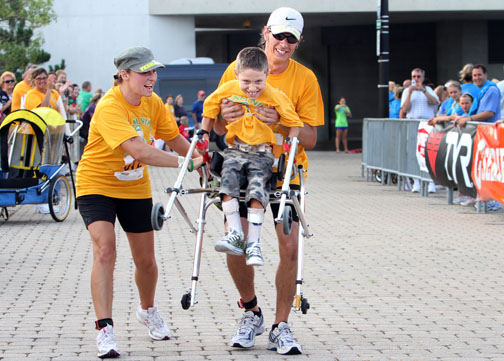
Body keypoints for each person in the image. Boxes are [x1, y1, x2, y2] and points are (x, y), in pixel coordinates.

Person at [75, 46, 203, 359]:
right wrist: (186, 164)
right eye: (145, 72)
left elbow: (174, 139)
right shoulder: (109, 107)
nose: (152, 77)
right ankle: (104, 328)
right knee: (106, 249)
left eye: (154, 71)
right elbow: (141, 151)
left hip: (134, 188)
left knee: (145, 261)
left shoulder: (153, 103)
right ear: (125, 75)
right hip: (96, 184)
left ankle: (148, 310)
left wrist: (200, 156)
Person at [216, 7, 324, 355]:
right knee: (238, 244)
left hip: (286, 169)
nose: (284, 43)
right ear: (266, 32)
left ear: (298, 42)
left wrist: (280, 121)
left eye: (291, 39)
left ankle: (281, 326)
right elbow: (217, 125)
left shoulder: (304, 78)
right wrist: (223, 116)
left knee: (289, 248)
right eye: (279, 36)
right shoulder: (236, 69)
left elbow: (310, 138)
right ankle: (250, 311)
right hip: (242, 165)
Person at [201, 46, 302, 267]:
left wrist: (289, 146)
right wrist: (204, 132)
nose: (252, 88)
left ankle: (254, 243)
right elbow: (209, 107)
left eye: (258, 81)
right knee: (227, 182)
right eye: (246, 82)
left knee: (258, 188)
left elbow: (294, 122)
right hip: (236, 149)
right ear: (237, 75)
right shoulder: (229, 88)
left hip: (262, 152)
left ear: (267, 76)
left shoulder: (275, 95)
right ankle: (235, 233)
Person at [401, 67, 439, 193]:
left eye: (418, 77)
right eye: (414, 77)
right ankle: (416, 181)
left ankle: (431, 182)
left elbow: (435, 102)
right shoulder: (407, 91)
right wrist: (410, 93)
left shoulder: (428, 89)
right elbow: (405, 109)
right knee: (413, 154)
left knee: (428, 154)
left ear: (423, 78)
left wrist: (423, 91)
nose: (416, 79)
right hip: (413, 124)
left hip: (427, 124)